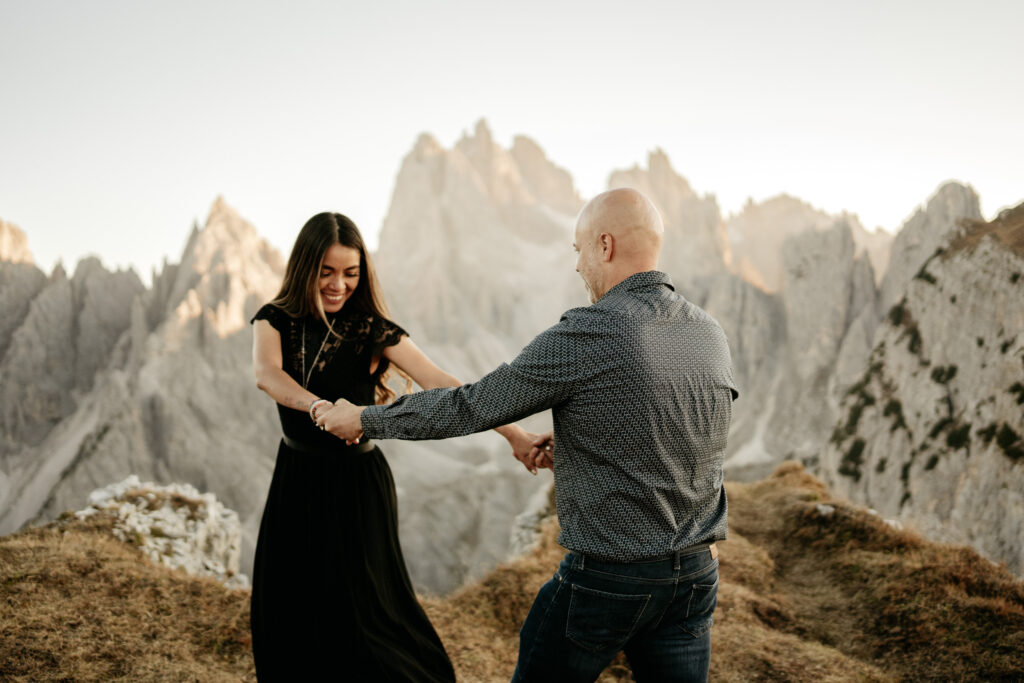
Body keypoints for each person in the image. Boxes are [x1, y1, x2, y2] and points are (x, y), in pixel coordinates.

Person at [318, 188, 738, 682]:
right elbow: (692, 434)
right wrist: (584, 445)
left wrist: (365, 419)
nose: (577, 265)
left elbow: (471, 406)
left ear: (604, 245)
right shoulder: (708, 331)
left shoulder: (593, 331)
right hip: (695, 578)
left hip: (610, 580)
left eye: (579, 250)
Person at [249, 212, 543, 681]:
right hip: (297, 477)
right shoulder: (273, 319)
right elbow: (268, 375)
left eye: (351, 273)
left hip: (356, 484)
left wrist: (514, 434)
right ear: (305, 267)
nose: (339, 285)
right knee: (290, 602)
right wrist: (320, 407)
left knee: (367, 611)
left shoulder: (372, 328)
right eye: (327, 271)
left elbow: (442, 383)